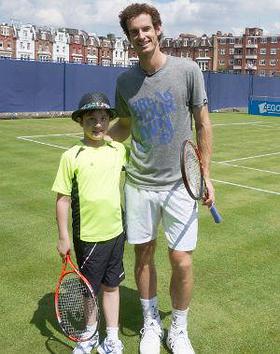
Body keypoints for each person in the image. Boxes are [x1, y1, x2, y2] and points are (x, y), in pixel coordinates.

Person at [108, 3, 215, 354]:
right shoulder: (124, 81)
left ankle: (179, 329)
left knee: (181, 259)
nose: (141, 36)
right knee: (144, 255)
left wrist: (206, 175)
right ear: (129, 39)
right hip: (138, 183)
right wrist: (101, 139)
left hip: (181, 185)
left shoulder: (187, 70)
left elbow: (202, 123)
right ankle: (151, 322)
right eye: (134, 32)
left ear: (158, 29)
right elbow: (124, 124)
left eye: (145, 29)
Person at [52, 92, 127, 354]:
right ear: (80, 121)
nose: (98, 124)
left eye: (103, 119)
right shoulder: (71, 156)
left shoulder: (118, 150)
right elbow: (62, 199)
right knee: (88, 291)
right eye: (91, 119)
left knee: (112, 285)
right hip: (88, 236)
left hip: (116, 232)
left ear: (109, 121)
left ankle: (112, 337)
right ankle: (90, 334)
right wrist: (64, 236)